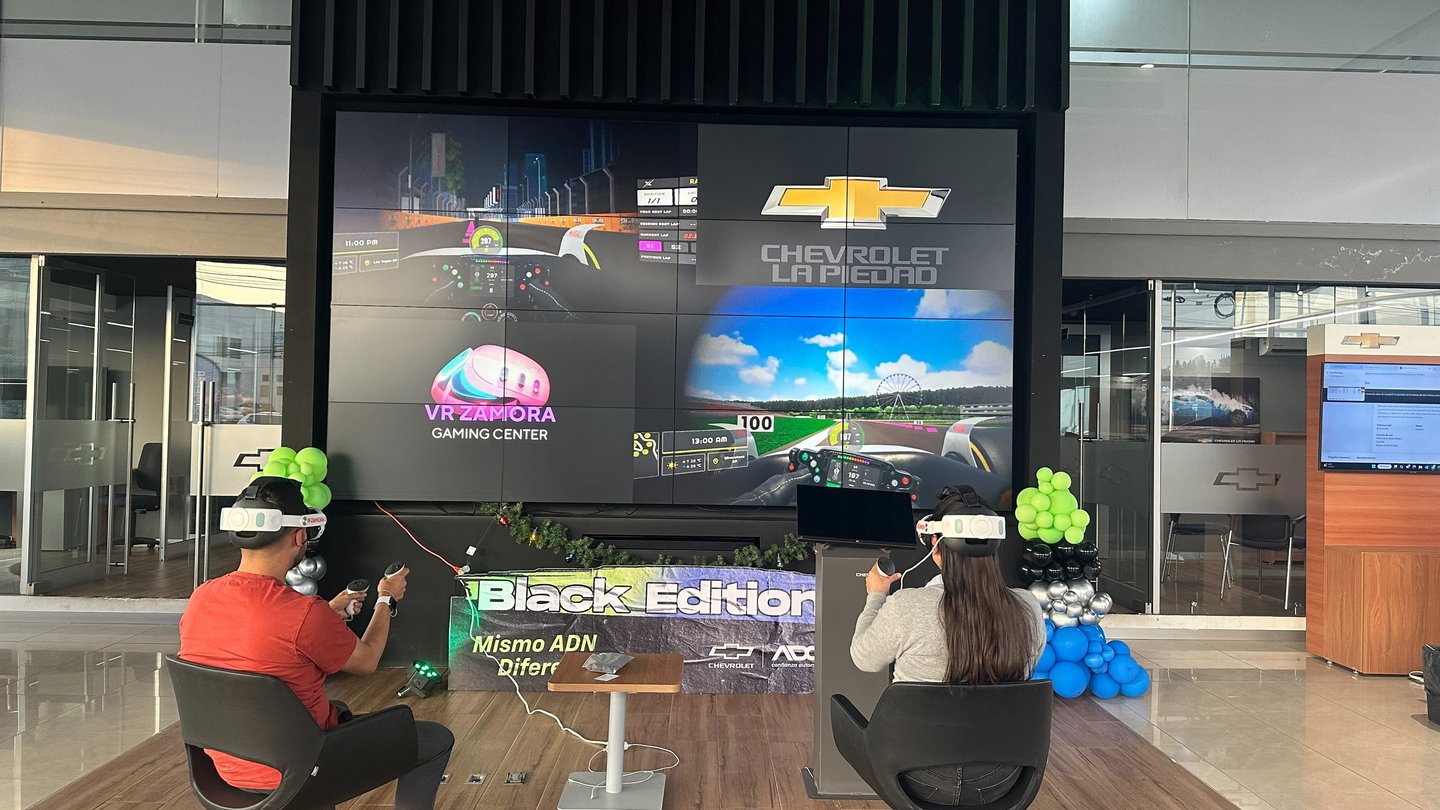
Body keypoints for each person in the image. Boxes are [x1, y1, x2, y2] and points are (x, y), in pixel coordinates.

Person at [179, 476, 453, 810]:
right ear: (299, 536)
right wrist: (386, 599)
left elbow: (260, 640)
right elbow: (366, 661)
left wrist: (328, 613)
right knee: (434, 740)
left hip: (223, 768)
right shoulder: (304, 613)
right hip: (302, 769)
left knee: (336, 710)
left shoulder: (202, 597)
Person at [850, 485, 1046, 806]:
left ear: (935, 546)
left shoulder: (907, 605)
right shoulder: (1028, 607)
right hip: (1002, 777)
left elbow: (864, 658)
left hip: (916, 775)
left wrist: (876, 596)